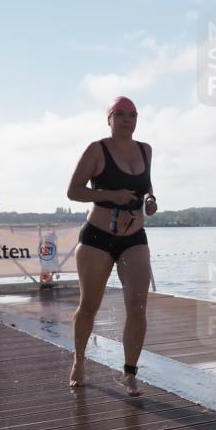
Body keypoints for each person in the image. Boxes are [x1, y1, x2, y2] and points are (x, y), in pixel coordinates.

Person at [66, 95, 157, 396]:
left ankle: (130, 373)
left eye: (132, 114)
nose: (127, 119)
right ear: (109, 118)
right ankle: (79, 359)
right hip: (97, 237)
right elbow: (73, 191)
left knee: (138, 306)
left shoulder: (146, 150)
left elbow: (146, 186)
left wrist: (150, 200)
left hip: (134, 237)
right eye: (120, 114)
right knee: (89, 306)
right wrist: (110, 196)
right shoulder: (97, 150)